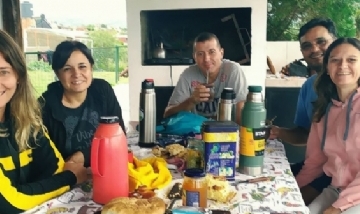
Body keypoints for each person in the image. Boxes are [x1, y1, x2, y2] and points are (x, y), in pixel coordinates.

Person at [0, 30, 87, 213]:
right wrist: (70, 177)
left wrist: (44, 185)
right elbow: (10, 203)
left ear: (18, 75)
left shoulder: (26, 119)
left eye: (3, 72)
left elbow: (55, 169)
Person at [269, 18, 337, 204]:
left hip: (340, 175)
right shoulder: (309, 86)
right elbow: (305, 134)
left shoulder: (351, 89)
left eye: (321, 42)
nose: (314, 49)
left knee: (287, 203)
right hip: (316, 166)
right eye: (307, 46)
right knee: (269, 188)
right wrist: (277, 132)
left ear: (335, 42)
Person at [296, 37, 360, 214]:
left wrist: (338, 207)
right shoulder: (324, 110)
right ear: (327, 68)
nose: (342, 66)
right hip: (336, 188)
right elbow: (315, 162)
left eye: (352, 60)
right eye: (335, 60)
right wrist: (292, 191)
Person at [39, 40, 126, 168]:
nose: (76, 74)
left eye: (82, 66)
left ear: (91, 68)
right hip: (66, 178)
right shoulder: (44, 107)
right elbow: (44, 159)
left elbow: (119, 136)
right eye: (67, 69)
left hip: (105, 168)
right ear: (57, 73)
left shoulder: (102, 91)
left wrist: (84, 156)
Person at [163, 32, 248, 125]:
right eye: (200, 54)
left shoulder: (232, 70)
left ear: (221, 53)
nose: (206, 59)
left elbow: (241, 113)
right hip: (196, 134)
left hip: (226, 132)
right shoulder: (188, 74)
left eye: (212, 52)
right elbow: (167, 114)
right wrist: (191, 101)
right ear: (194, 57)